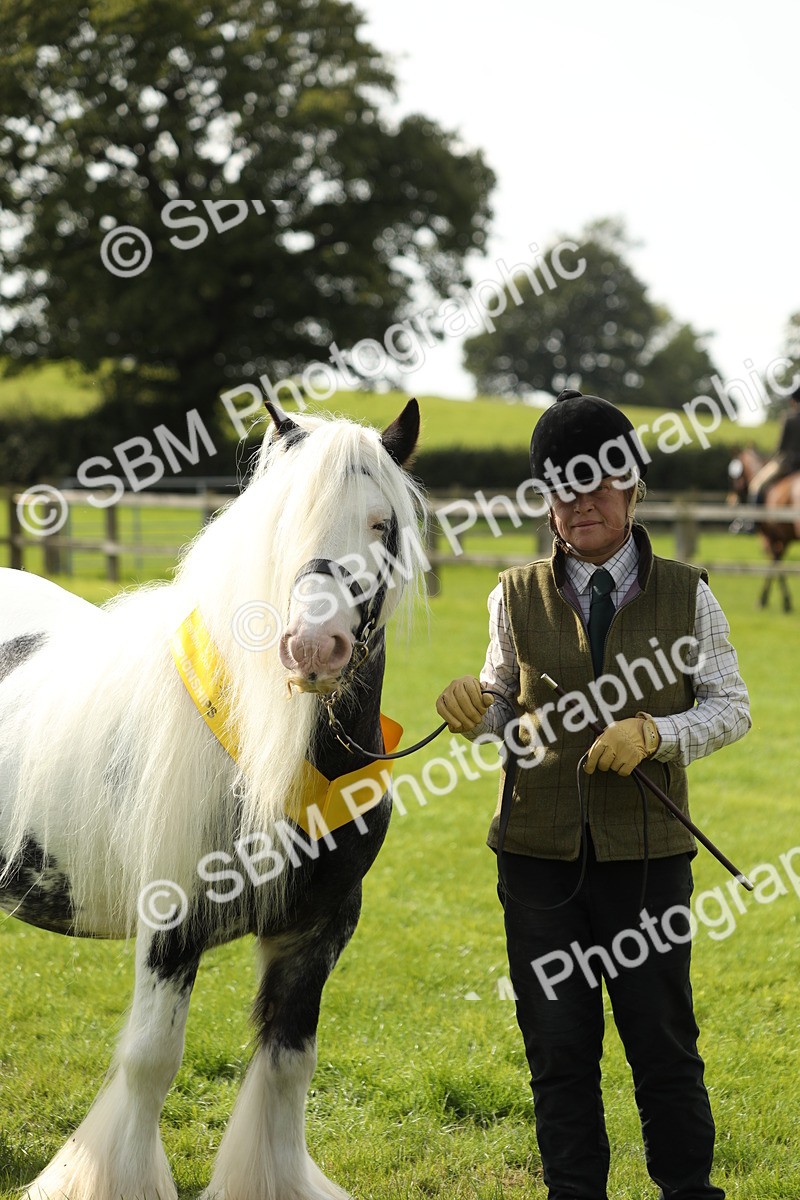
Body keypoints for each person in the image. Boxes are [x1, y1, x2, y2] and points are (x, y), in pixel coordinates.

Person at [436, 389, 751, 1200]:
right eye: (563, 490)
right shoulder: (513, 596)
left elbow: (731, 706)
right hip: (537, 865)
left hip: (648, 861)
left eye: (600, 485)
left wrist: (655, 733)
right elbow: (508, 713)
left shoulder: (689, 592)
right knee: (558, 1052)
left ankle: (689, 1191)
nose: (582, 504)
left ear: (633, 490)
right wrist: (475, 708)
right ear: (546, 503)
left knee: (664, 1047)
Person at [747, 384, 800, 504]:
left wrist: (771, 458)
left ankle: (752, 521)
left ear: (793, 402)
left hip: (788, 464)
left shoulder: (789, 418)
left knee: (757, 485)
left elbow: (781, 447)